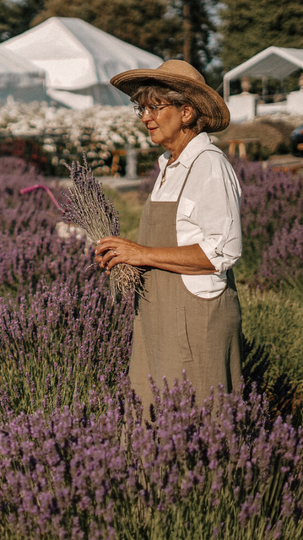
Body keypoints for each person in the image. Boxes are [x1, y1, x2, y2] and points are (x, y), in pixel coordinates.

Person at [94, 60, 243, 416]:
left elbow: (222, 250)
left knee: (202, 421)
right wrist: (123, 255)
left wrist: (142, 253)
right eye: (141, 108)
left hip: (195, 320)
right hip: (157, 314)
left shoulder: (209, 165)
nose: (145, 117)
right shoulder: (170, 165)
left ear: (187, 112)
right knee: (154, 416)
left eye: (154, 107)